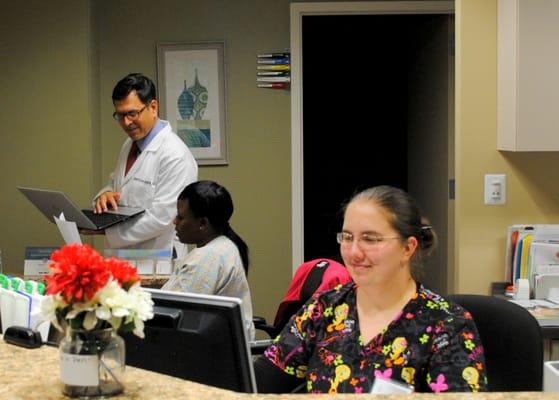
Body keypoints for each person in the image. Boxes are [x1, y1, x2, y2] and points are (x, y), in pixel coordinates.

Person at [256, 185, 488, 393]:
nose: (354, 252)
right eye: (347, 237)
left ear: (407, 248)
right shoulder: (324, 308)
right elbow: (260, 384)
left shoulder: (446, 324)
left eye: (370, 239)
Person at [83, 73, 198, 251]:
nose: (126, 122)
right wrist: (104, 196)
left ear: (153, 107)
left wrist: (107, 231)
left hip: (157, 258)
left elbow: (163, 217)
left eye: (132, 113)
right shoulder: (129, 145)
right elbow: (116, 185)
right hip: (124, 259)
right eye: (120, 115)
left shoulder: (176, 155)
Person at [162, 180, 255, 340]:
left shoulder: (209, 257)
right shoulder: (223, 246)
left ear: (203, 223)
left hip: (211, 356)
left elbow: (171, 314)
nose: (174, 222)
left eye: (180, 217)